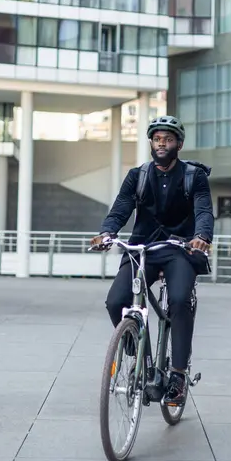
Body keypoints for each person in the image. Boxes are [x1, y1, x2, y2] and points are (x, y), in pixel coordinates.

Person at [91, 115, 214, 406]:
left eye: (168, 139)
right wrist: (108, 232)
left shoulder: (193, 176)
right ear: (151, 143)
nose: (162, 144)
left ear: (178, 144)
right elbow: (121, 207)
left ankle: (178, 376)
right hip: (141, 248)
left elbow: (204, 210)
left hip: (179, 249)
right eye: (157, 139)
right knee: (115, 301)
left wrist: (201, 236)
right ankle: (133, 341)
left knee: (180, 300)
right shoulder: (138, 175)